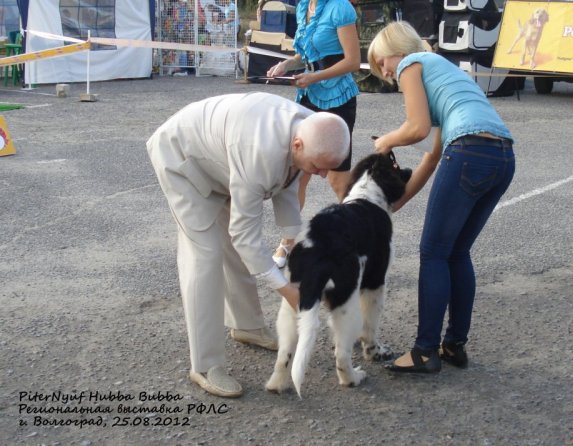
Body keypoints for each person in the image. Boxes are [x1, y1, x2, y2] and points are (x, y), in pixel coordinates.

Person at [146, 92, 350, 397]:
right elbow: (245, 235)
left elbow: (288, 186)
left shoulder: (308, 128)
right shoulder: (259, 152)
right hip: (182, 161)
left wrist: (294, 243)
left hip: (221, 162)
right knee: (205, 255)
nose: (322, 176)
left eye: (328, 168)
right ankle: (204, 365)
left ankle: (247, 327)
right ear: (298, 145)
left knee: (235, 248)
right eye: (318, 167)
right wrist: (286, 289)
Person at [367, 22, 516, 373]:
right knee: (456, 252)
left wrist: (386, 141)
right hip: (502, 157)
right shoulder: (443, 72)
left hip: (468, 151)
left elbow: (415, 128)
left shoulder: (412, 64)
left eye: (381, 60)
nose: (384, 70)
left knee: (433, 253)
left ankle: (424, 351)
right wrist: (397, 202)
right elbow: (433, 155)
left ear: (397, 49)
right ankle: (454, 345)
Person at [264, 0, 360, 268]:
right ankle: (288, 242)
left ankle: (357, 243)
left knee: (338, 180)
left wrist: (314, 77)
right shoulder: (305, 6)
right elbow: (306, 56)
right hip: (307, 96)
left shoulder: (341, 8)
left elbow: (353, 62)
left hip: (337, 98)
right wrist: (288, 64)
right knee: (298, 176)